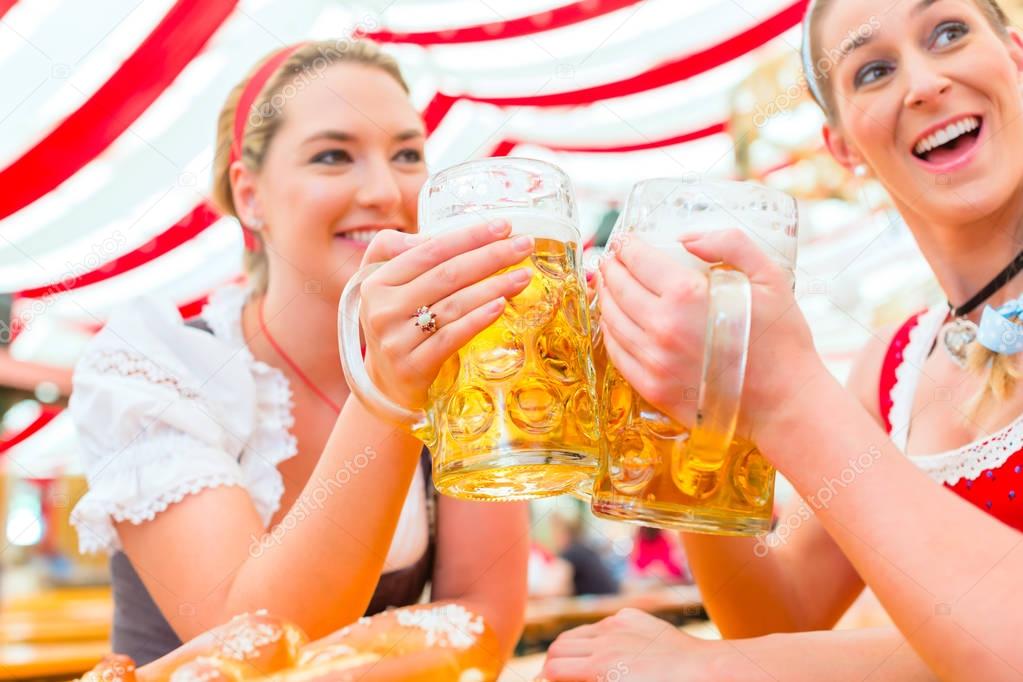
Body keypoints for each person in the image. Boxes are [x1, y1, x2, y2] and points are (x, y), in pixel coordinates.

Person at [542, 1, 1023, 679]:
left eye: (946, 33)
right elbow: (777, 614)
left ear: (1016, 57)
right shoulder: (891, 367)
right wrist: (693, 419)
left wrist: (714, 670)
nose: (921, 84)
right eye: (872, 70)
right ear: (843, 148)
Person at [68, 40, 529, 667]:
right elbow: (249, 648)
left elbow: (487, 612)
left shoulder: (459, 361)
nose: (385, 190)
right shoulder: (158, 367)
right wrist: (389, 393)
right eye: (334, 156)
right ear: (250, 195)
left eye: (407, 154)